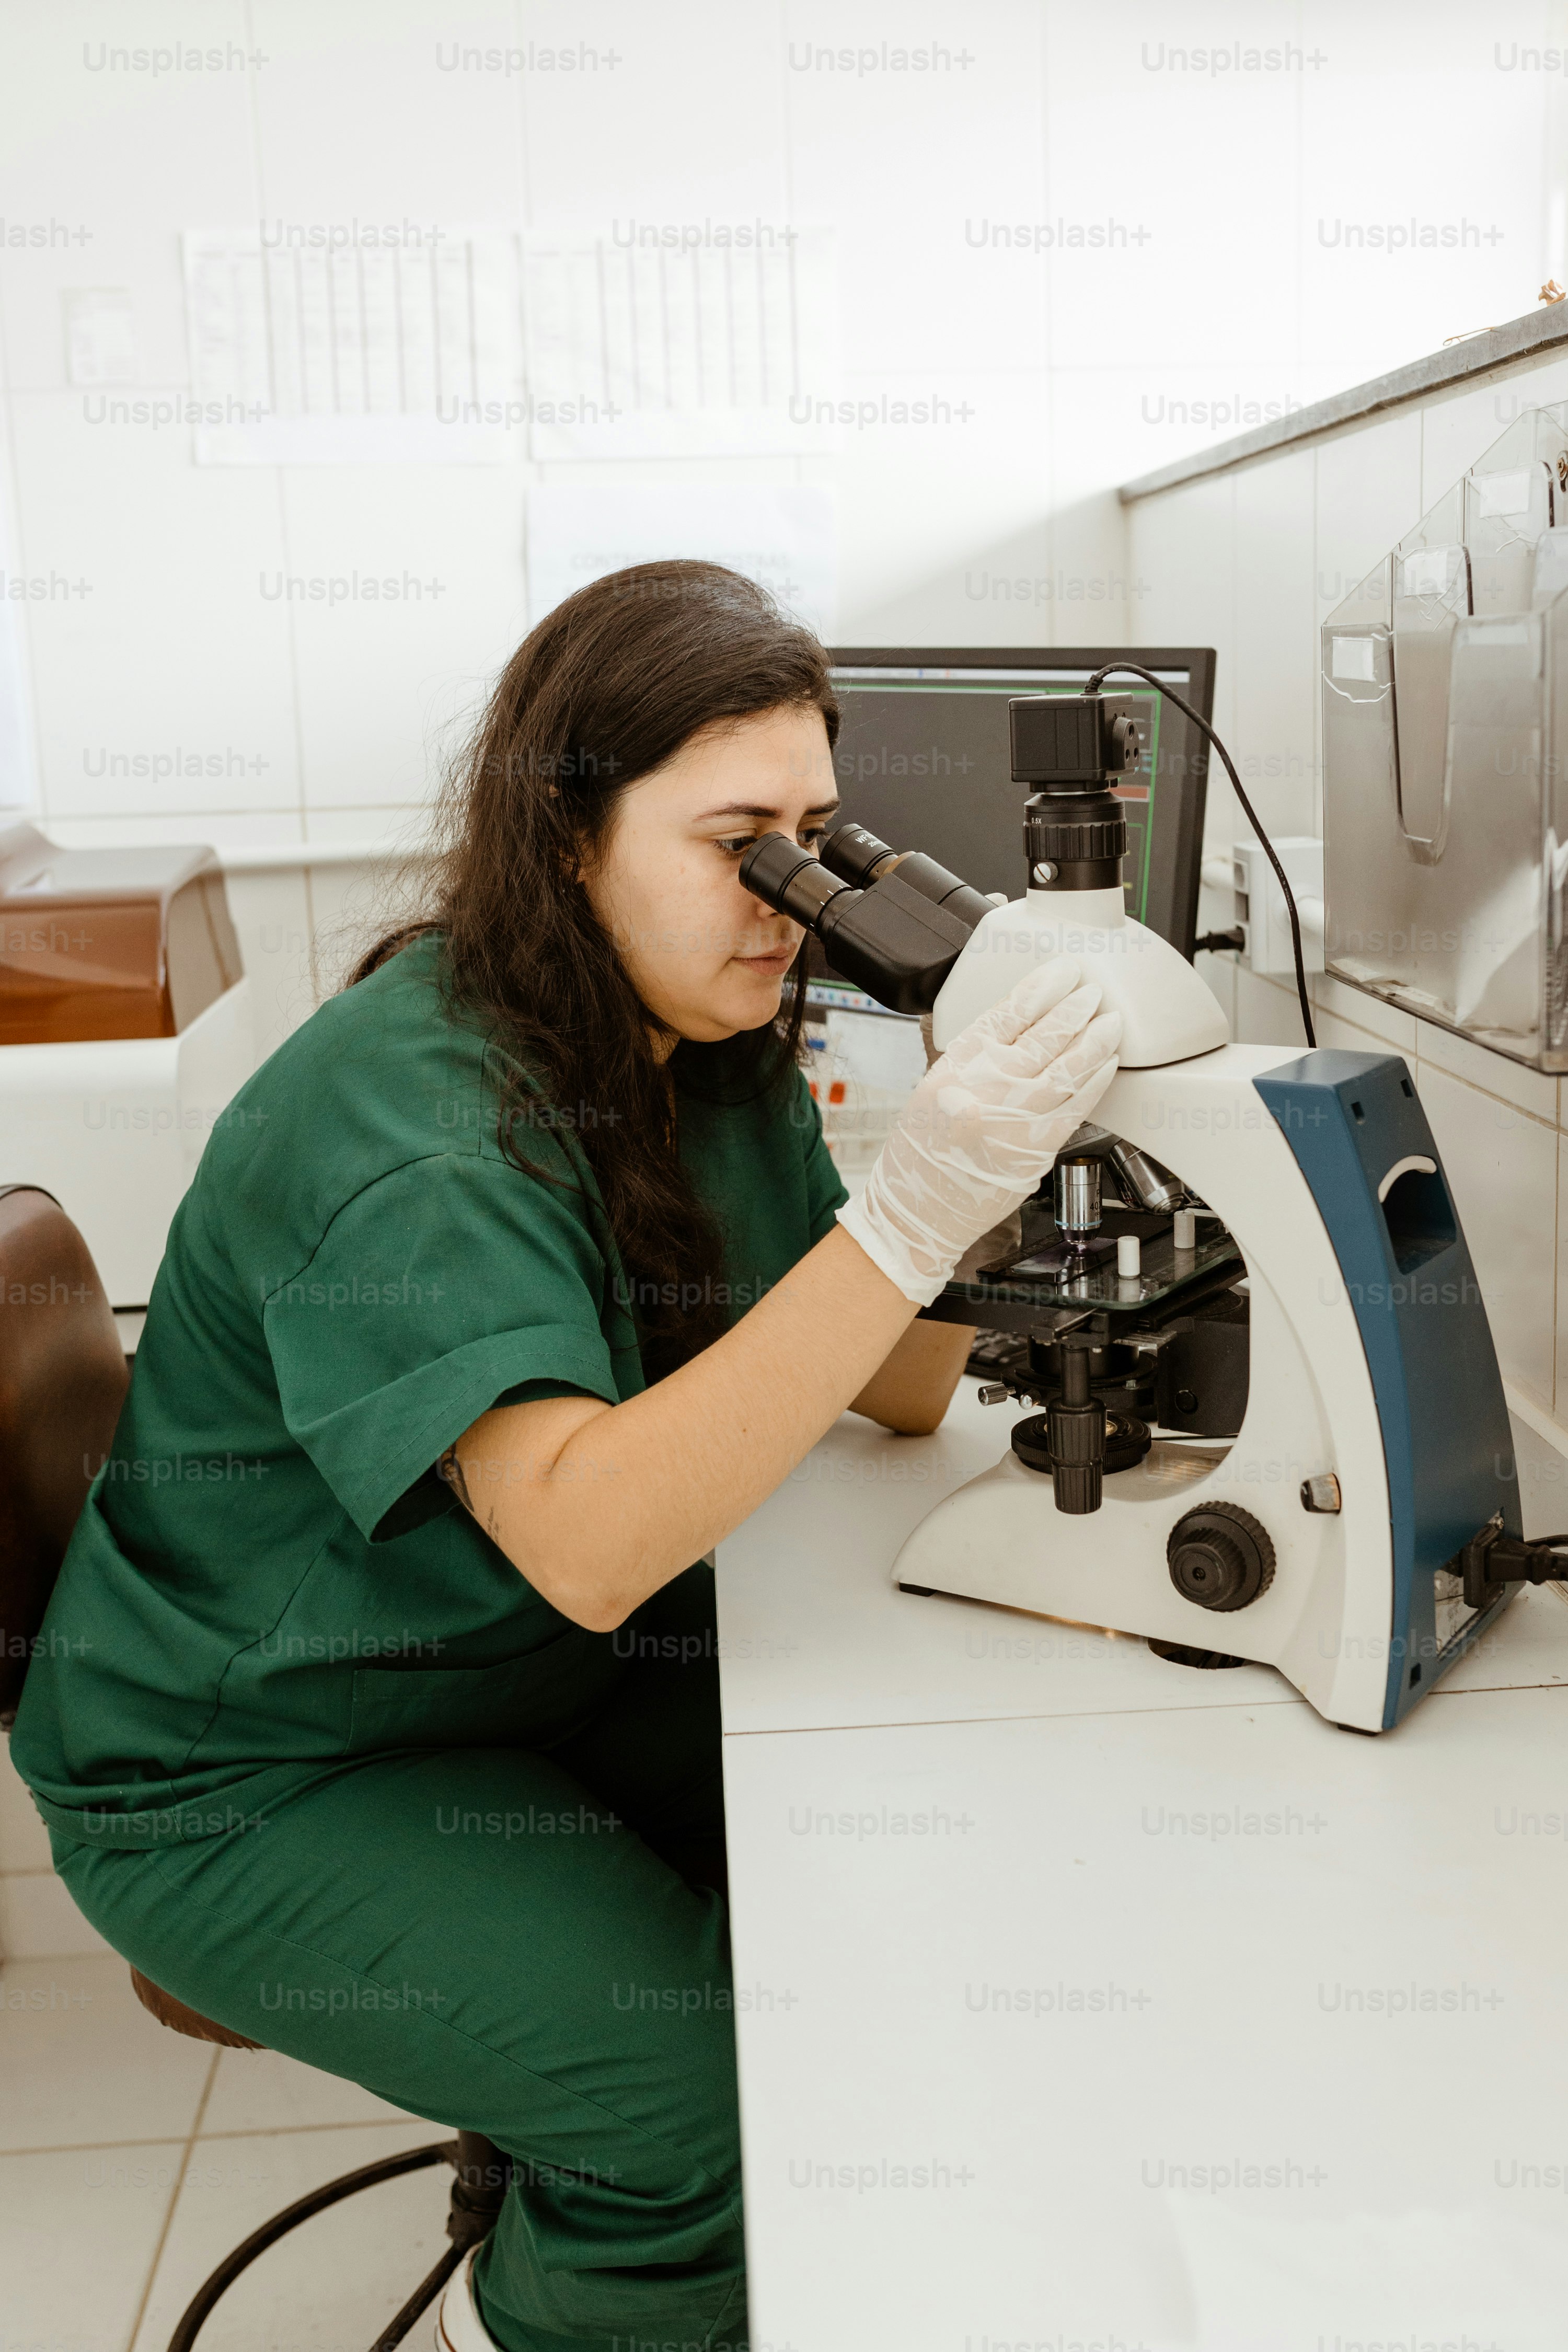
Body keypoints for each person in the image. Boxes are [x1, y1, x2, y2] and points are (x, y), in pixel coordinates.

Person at [11, 561, 1119, 2352]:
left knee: (901, 1874)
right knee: (706, 2116)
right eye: (737, 839)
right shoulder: (420, 1123)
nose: (794, 895)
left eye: (823, 837)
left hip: (491, 1671)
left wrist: (965, 1171)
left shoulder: (699, 1033)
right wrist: (908, 1220)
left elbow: (891, 1390)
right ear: (566, 841)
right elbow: (592, 1542)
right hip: (248, 1768)